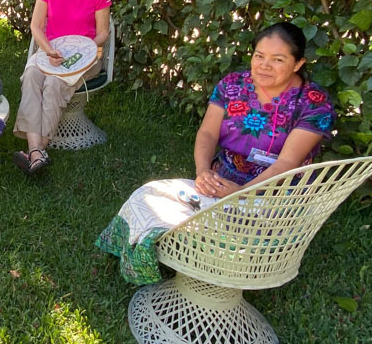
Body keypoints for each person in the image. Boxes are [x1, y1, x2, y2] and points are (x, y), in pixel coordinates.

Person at [96, 22, 336, 284]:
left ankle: (212, 263)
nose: (264, 66)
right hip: (219, 180)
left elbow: (287, 163)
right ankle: (149, 257)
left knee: (217, 227)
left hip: (274, 195)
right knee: (147, 195)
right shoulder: (233, 85)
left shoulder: (314, 103)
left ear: (298, 63)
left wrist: (239, 193)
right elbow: (208, 134)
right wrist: (203, 172)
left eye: (278, 59)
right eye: (259, 56)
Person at [13, 0, 111, 174]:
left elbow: (103, 33)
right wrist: (49, 51)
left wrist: (82, 51)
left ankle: (35, 150)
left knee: (55, 84)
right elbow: (36, 26)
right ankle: (38, 153)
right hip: (50, 51)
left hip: (86, 58)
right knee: (32, 76)